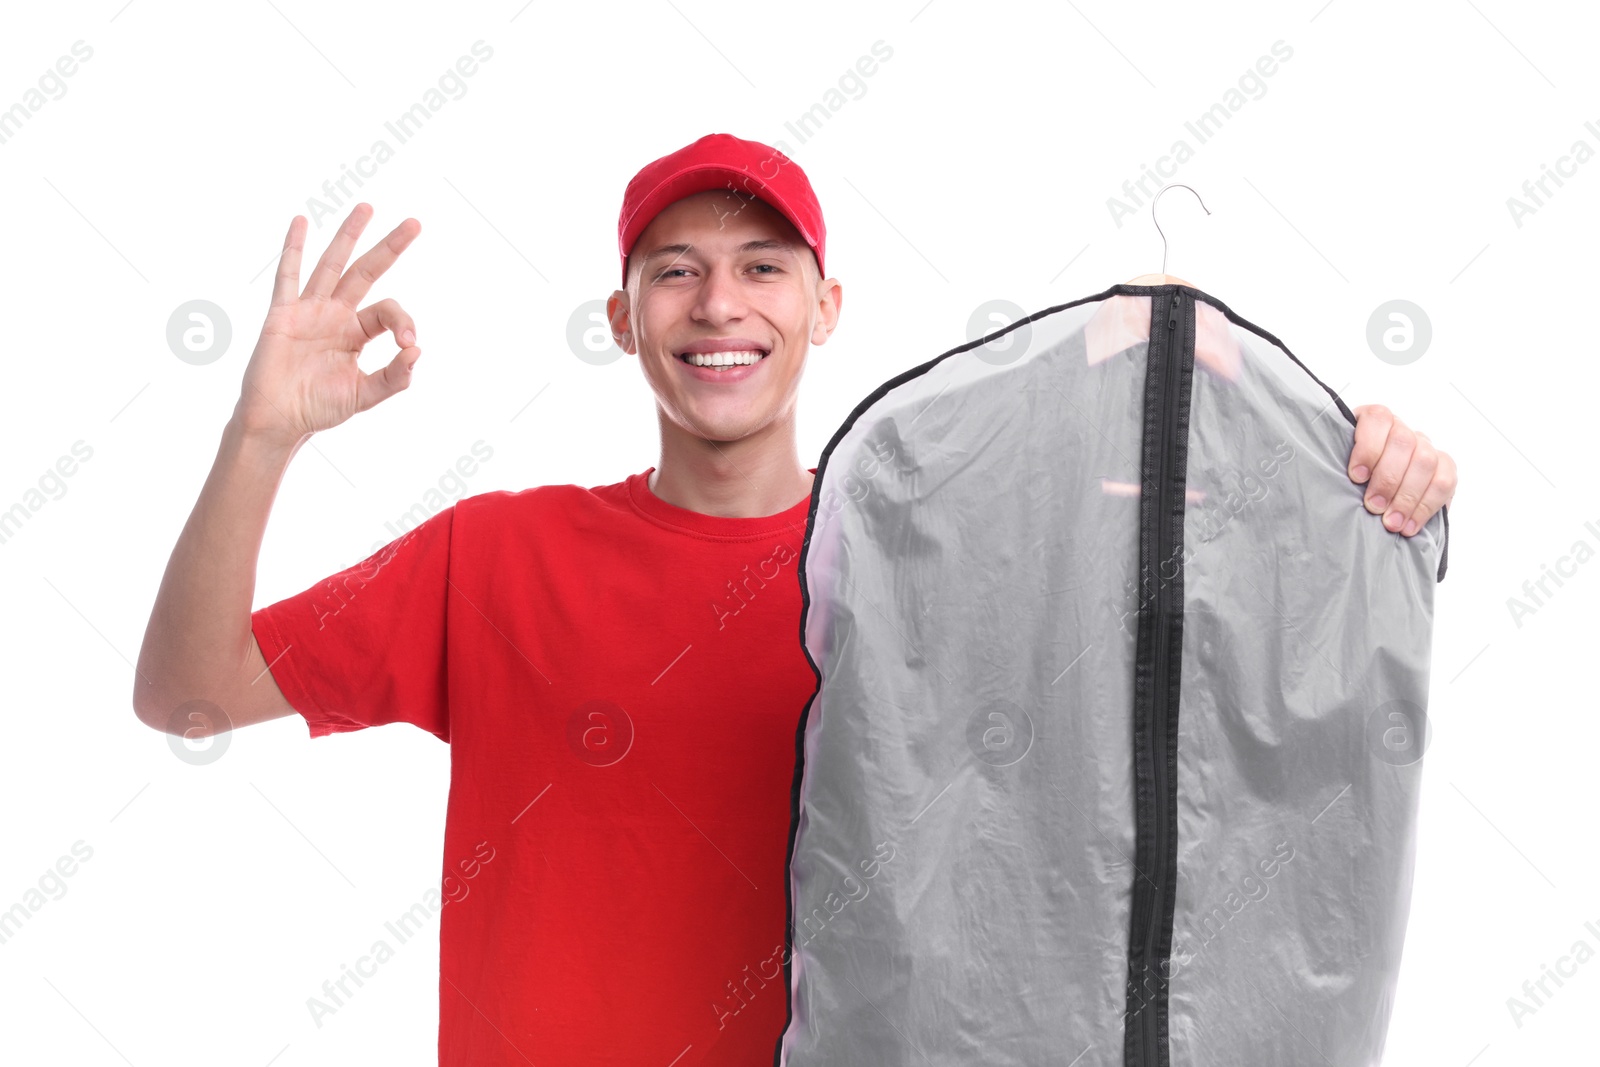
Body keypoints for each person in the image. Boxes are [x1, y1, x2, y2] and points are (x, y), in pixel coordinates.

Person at [131, 132, 1458, 1065]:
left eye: (764, 266)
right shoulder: (496, 556)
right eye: (677, 269)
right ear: (621, 315)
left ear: (827, 307)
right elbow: (185, 690)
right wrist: (264, 435)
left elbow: (1202, 637)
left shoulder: (941, 566)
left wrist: (1365, 475)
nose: (722, 303)